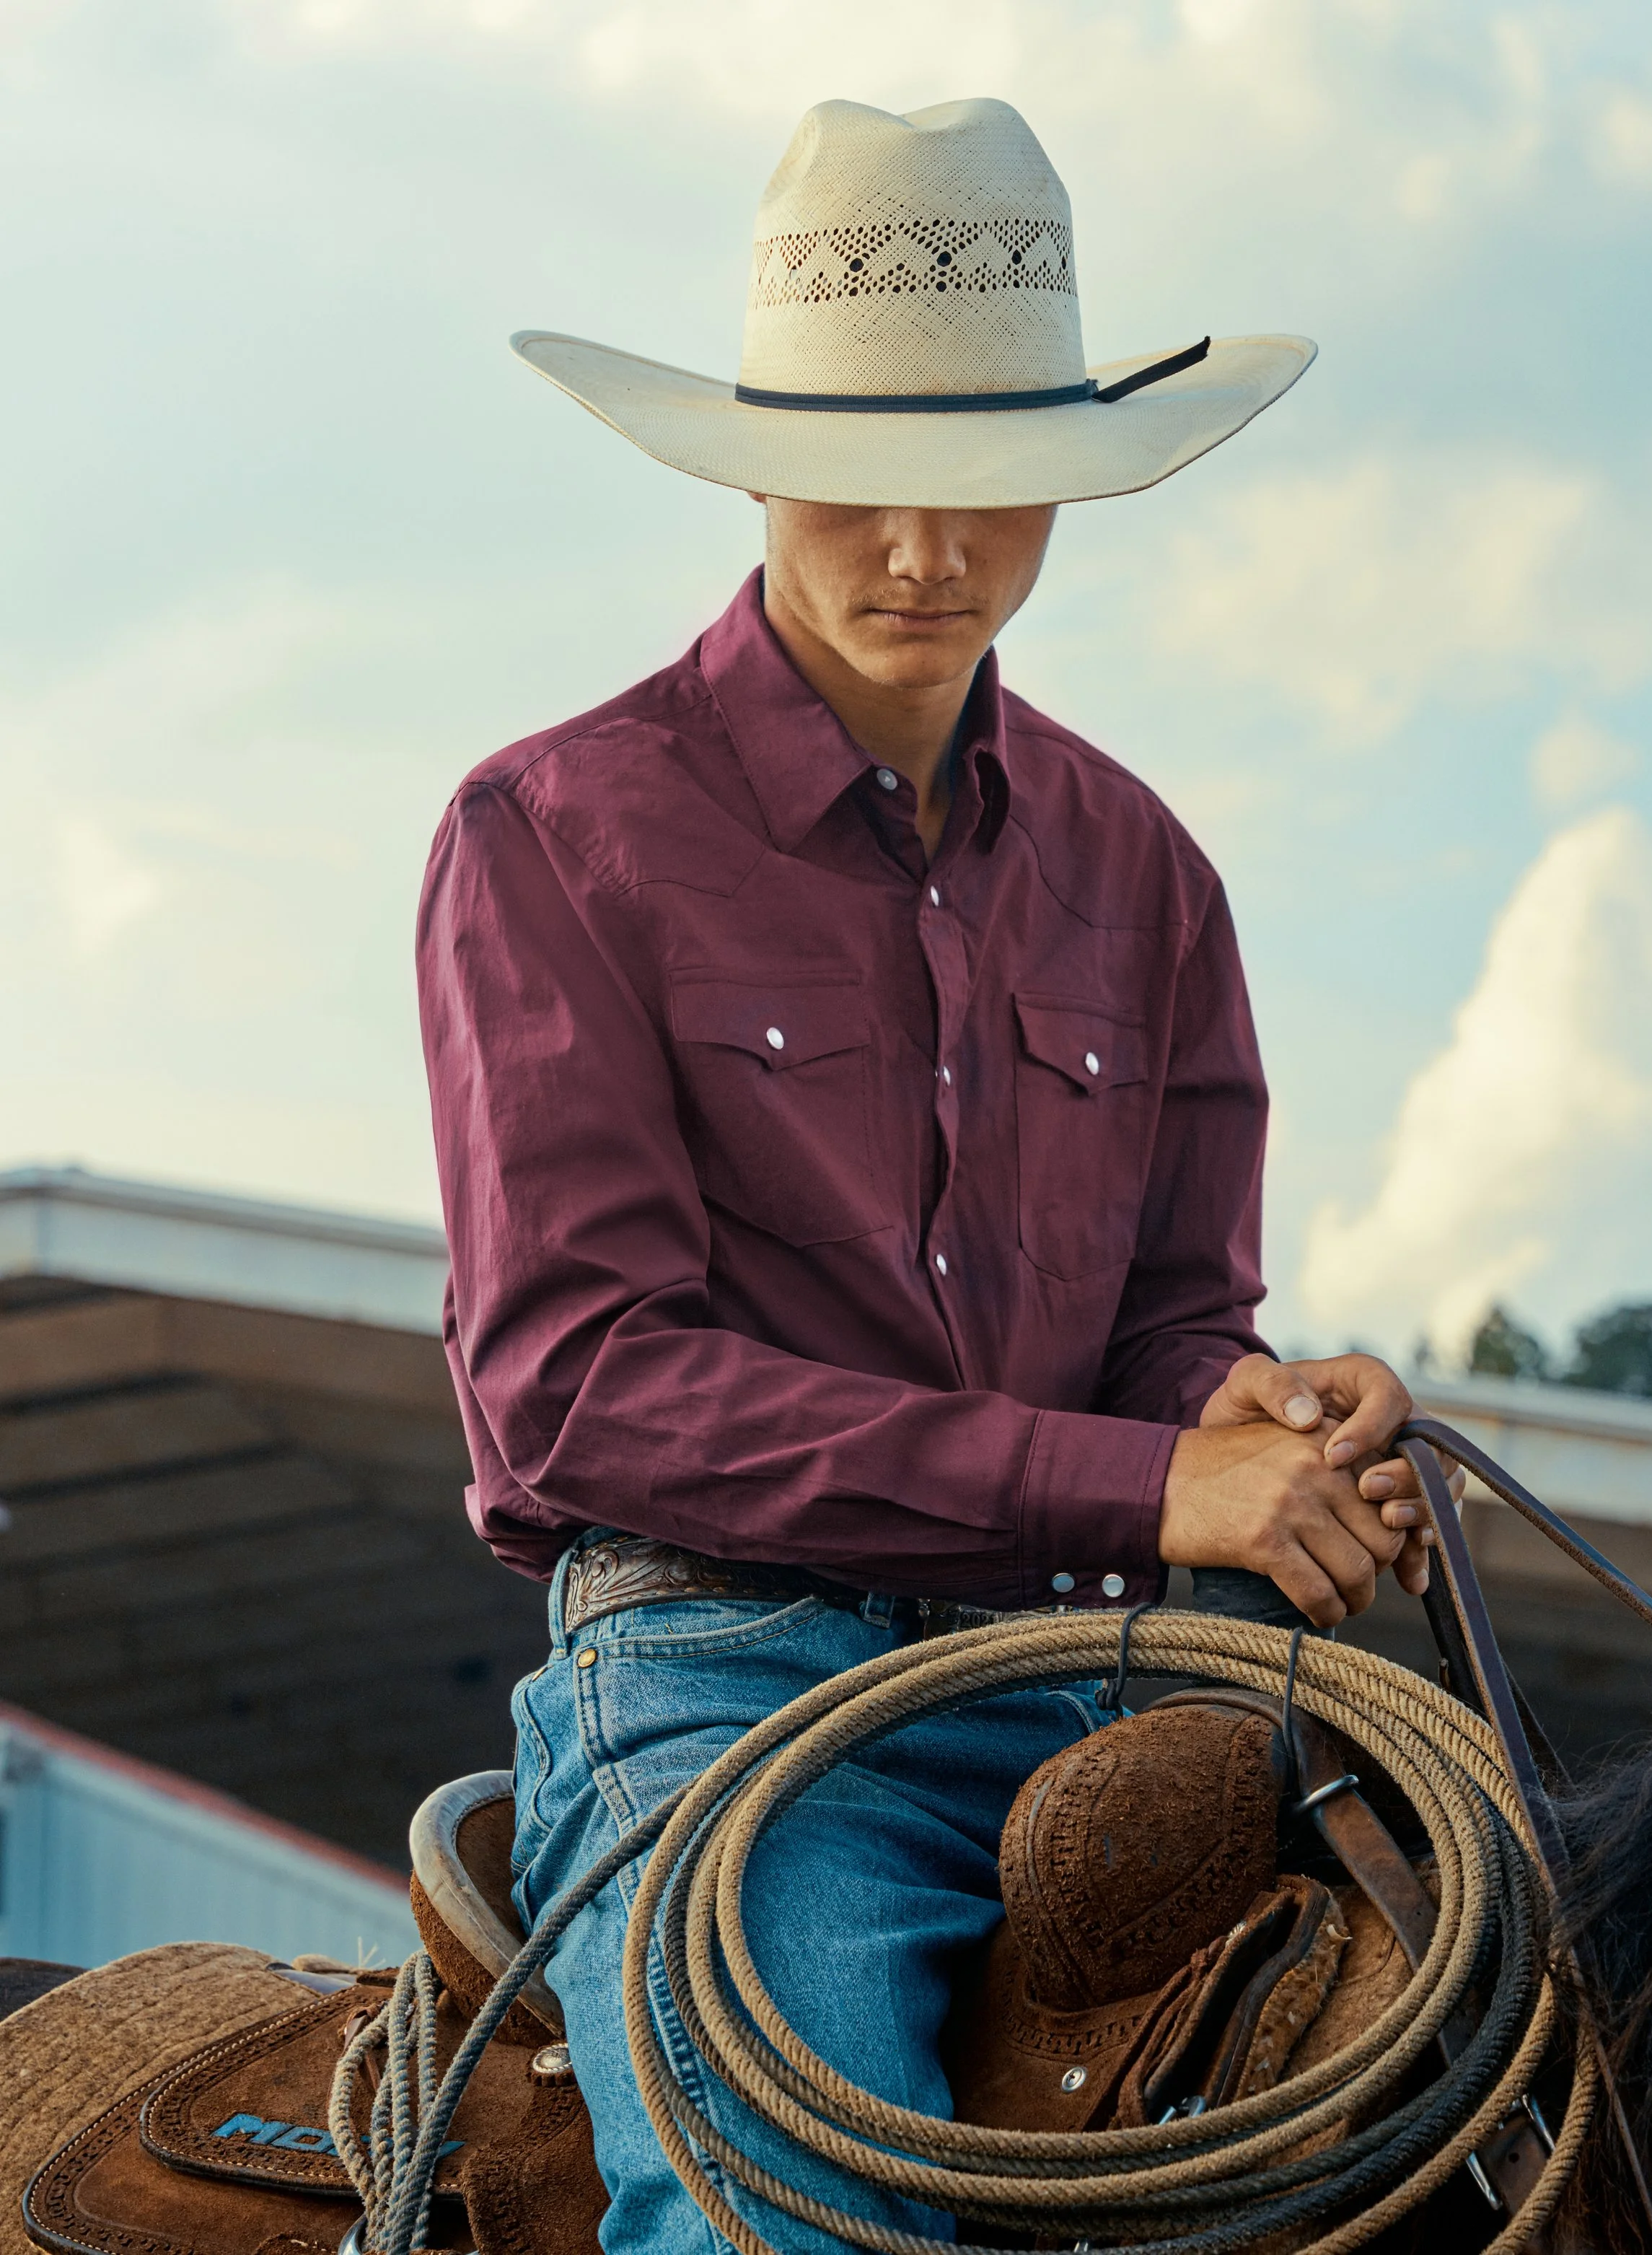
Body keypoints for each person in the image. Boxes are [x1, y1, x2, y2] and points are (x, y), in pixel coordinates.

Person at [418, 96, 1444, 2255]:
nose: (926, 554)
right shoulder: (555, 836)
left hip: (1081, 1685)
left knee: (1512, 2099)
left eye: (987, 491)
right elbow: (578, 1388)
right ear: (747, 459)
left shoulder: (1142, 873)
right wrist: (1141, 1489)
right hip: (717, 1691)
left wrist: (1240, 1414)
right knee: (787, 2224)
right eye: (866, 479)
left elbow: (1169, 1323)